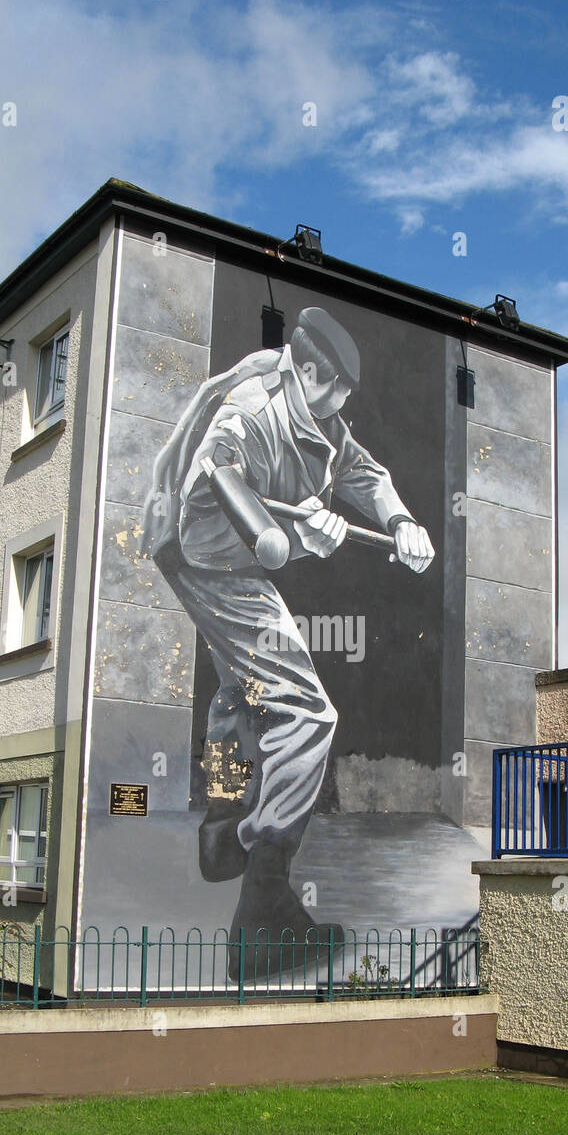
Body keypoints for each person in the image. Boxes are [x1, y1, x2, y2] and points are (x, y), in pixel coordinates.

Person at [142, 307, 434, 977]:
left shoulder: (321, 416)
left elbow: (361, 471)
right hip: (208, 560)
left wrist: (400, 520)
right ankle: (264, 912)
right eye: (334, 389)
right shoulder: (245, 417)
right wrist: (298, 535)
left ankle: (221, 826)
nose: (341, 404)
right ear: (305, 370)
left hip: (229, 560)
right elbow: (202, 524)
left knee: (240, 696)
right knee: (305, 713)